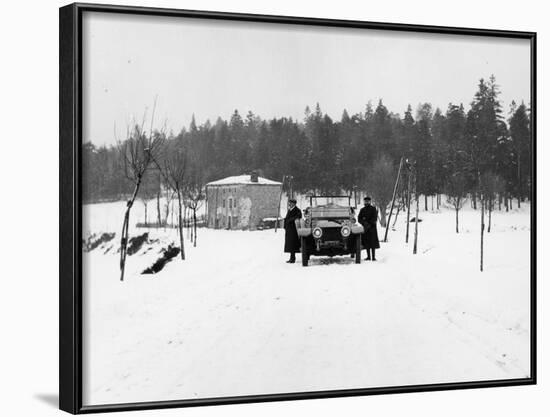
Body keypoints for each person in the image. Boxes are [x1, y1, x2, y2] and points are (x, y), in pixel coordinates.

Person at [358, 196, 380, 261]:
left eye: (368, 201)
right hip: (365, 228)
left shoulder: (373, 209)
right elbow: (359, 218)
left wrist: (370, 224)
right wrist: (364, 223)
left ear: (370, 201)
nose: (366, 202)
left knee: (373, 243)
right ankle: (368, 257)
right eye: (365, 201)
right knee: (366, 243)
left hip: (372, 228)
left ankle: (373, 257)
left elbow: (375, 218)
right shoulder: (362, 210)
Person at [283, 198, 302, 263]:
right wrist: (285, 226)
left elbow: (298, 217)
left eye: (291, 203)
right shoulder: (289, 210)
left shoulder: (297, 210)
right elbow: (286, 218)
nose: (289, 204)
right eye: (289, 203)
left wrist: (290, 220)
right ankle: (291, 257)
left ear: (294, 203)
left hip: (294, 229)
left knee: (293, 244)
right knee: (290, 244)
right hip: (289, 229)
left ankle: (293, 258)